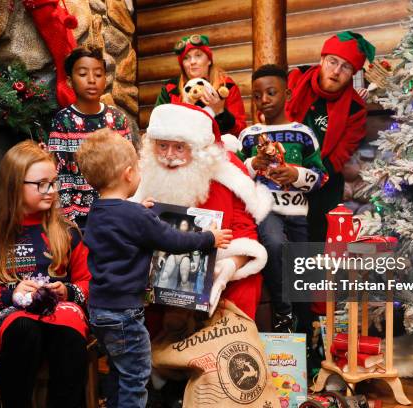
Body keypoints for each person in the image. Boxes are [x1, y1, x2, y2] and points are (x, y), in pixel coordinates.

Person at [75, 128, 232, 408]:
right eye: (137, 168)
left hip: (100, 311)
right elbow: (171, 240)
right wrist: (210, 238)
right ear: (128, 173)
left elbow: (123, 223)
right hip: (125, 313)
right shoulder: (134, 215)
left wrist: (139, 212)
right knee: (136, 376)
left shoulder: (96, 213)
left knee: (117, 372)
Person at [0, 140, 91, 408]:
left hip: (59, 312)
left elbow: (90, 282)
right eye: (41, 184)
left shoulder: (67, 232)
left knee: (69, 330)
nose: (51, 191)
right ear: (14, 186)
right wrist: (11, 295)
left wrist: (68, 291)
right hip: (11, 320)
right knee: (24, 328)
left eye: (54, 182)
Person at [134, 102, 272, 321]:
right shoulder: (144, 177)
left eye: (179, 147)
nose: (169, 155)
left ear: (198, 150)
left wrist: (228, 267)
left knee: (246, 287)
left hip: (219, 265)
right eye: (162, 146)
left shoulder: (228, 177)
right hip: (160, 274)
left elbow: (245, 232)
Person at [237, 64, 328, 332]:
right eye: (256, 95)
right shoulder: (249, 136)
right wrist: (254, 163)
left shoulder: (303, 133)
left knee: (302, 266)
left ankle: (305, 330)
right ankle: (282, 312)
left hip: (298, 212)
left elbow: (321, 176)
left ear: (287, 95)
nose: (263, 100)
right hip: (266, 208)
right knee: (275, 245)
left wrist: (296, 174)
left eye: (271, 93)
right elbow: (238, 175)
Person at [286, 31, 375, 242]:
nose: (336, 71)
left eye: (345, 67)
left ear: (353, 73)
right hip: (282, 166)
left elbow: (340, 155)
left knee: (317, 243)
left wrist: (307, 176)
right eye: (332, 61)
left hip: (322, 178)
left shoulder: (355, 108)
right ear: (321, 59)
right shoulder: (297, 77)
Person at [48, 46, 138, 228]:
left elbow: (130, 167)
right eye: (82, 74)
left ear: (105, 79)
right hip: (78, 220)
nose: (91, 80)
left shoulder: (118, 119)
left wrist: (128, 208)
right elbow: (60, 173)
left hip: (116, 214)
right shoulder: (63, 120)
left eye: (98, 75)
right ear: (70, 80)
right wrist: (68, 220)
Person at [155, 34, 247, 136]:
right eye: (186, 58)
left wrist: (220, 112)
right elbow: (157, 122)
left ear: (209, 60)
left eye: (198, 55)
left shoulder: (226, 86)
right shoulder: (171, 89)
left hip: (218, 148)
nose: (192, 62)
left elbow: (240, 130)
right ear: (182, 65)